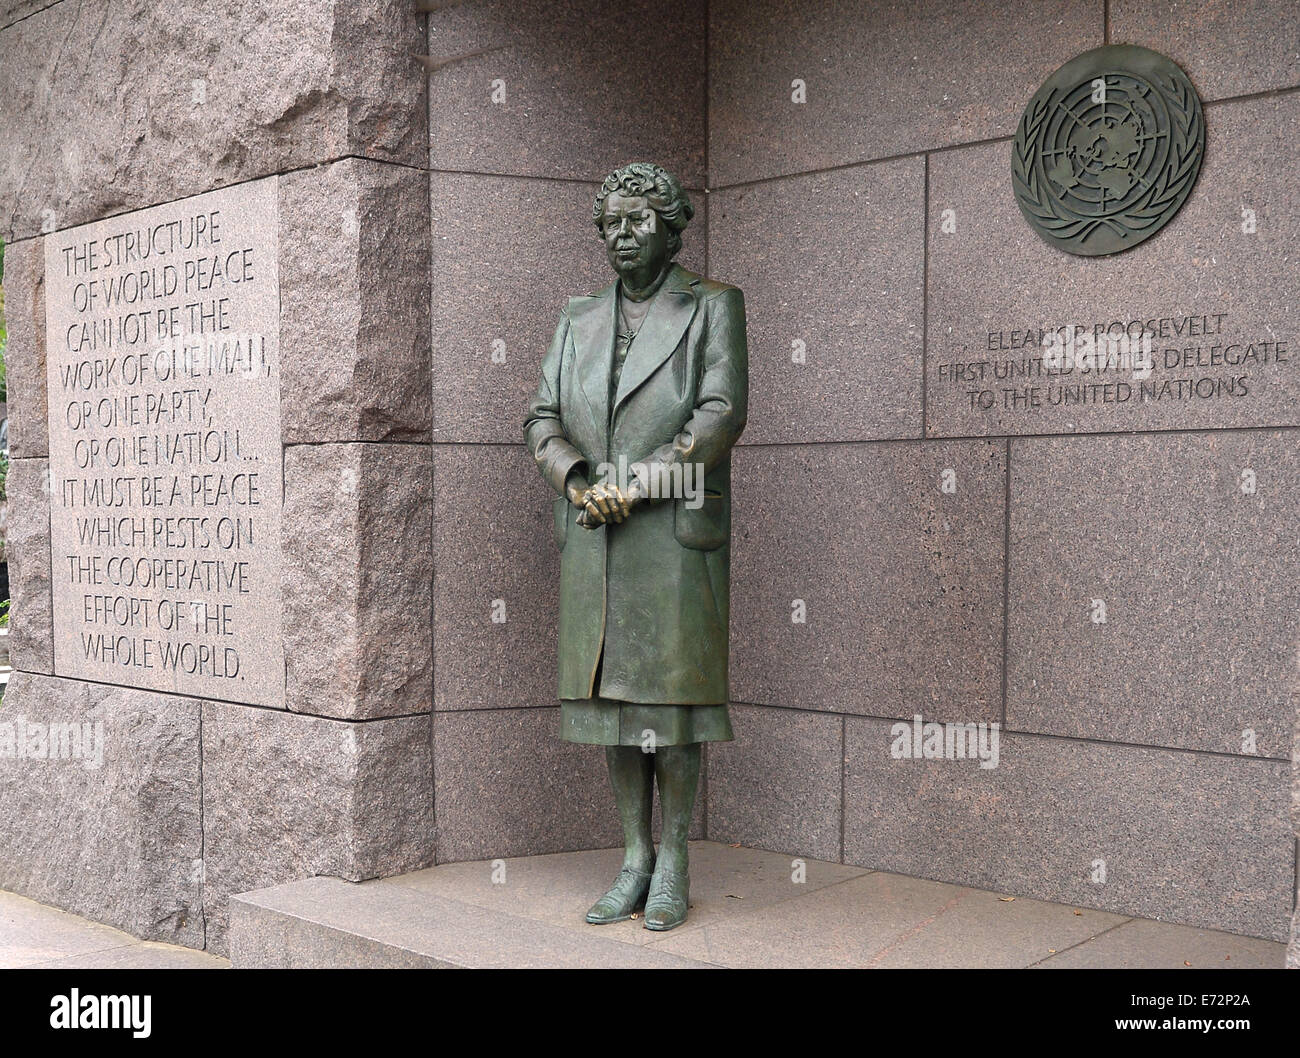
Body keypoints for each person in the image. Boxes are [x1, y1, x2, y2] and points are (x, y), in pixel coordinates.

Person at [523, 161, 748, 931]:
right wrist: (577, 478)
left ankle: (676, 858)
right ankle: (633, 857)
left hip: (672, 536)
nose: (619, 236)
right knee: (613, 709)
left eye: (635, 222)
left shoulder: (713, 306)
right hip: (594, 535)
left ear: (671, 225)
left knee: (670, 707)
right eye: (608, 224)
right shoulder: (576, 317)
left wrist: (637, 484)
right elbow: (541, 417)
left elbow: (718, 415)